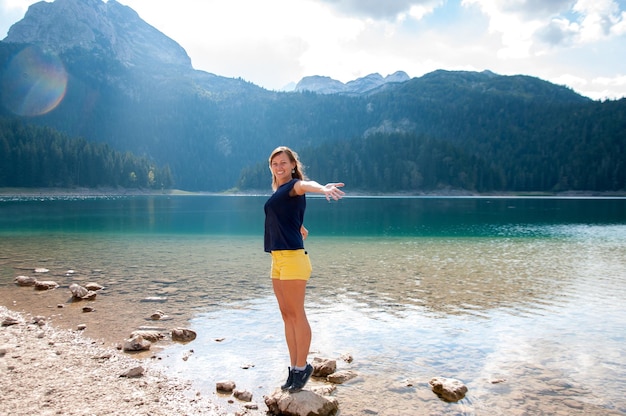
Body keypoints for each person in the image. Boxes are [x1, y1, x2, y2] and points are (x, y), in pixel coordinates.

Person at [264, 146, 345, 393]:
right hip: (277, 258)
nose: (279, 167)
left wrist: (324, 189)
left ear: (292, 165)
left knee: (297, 314)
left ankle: (303, 367)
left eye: (283, 163)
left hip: (293, 259)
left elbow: (308, 186)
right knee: (286, 315)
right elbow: (285, 217)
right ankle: (293, 369)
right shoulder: (279, 191)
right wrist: (299, 226)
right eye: (275, 163)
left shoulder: (294, 185)